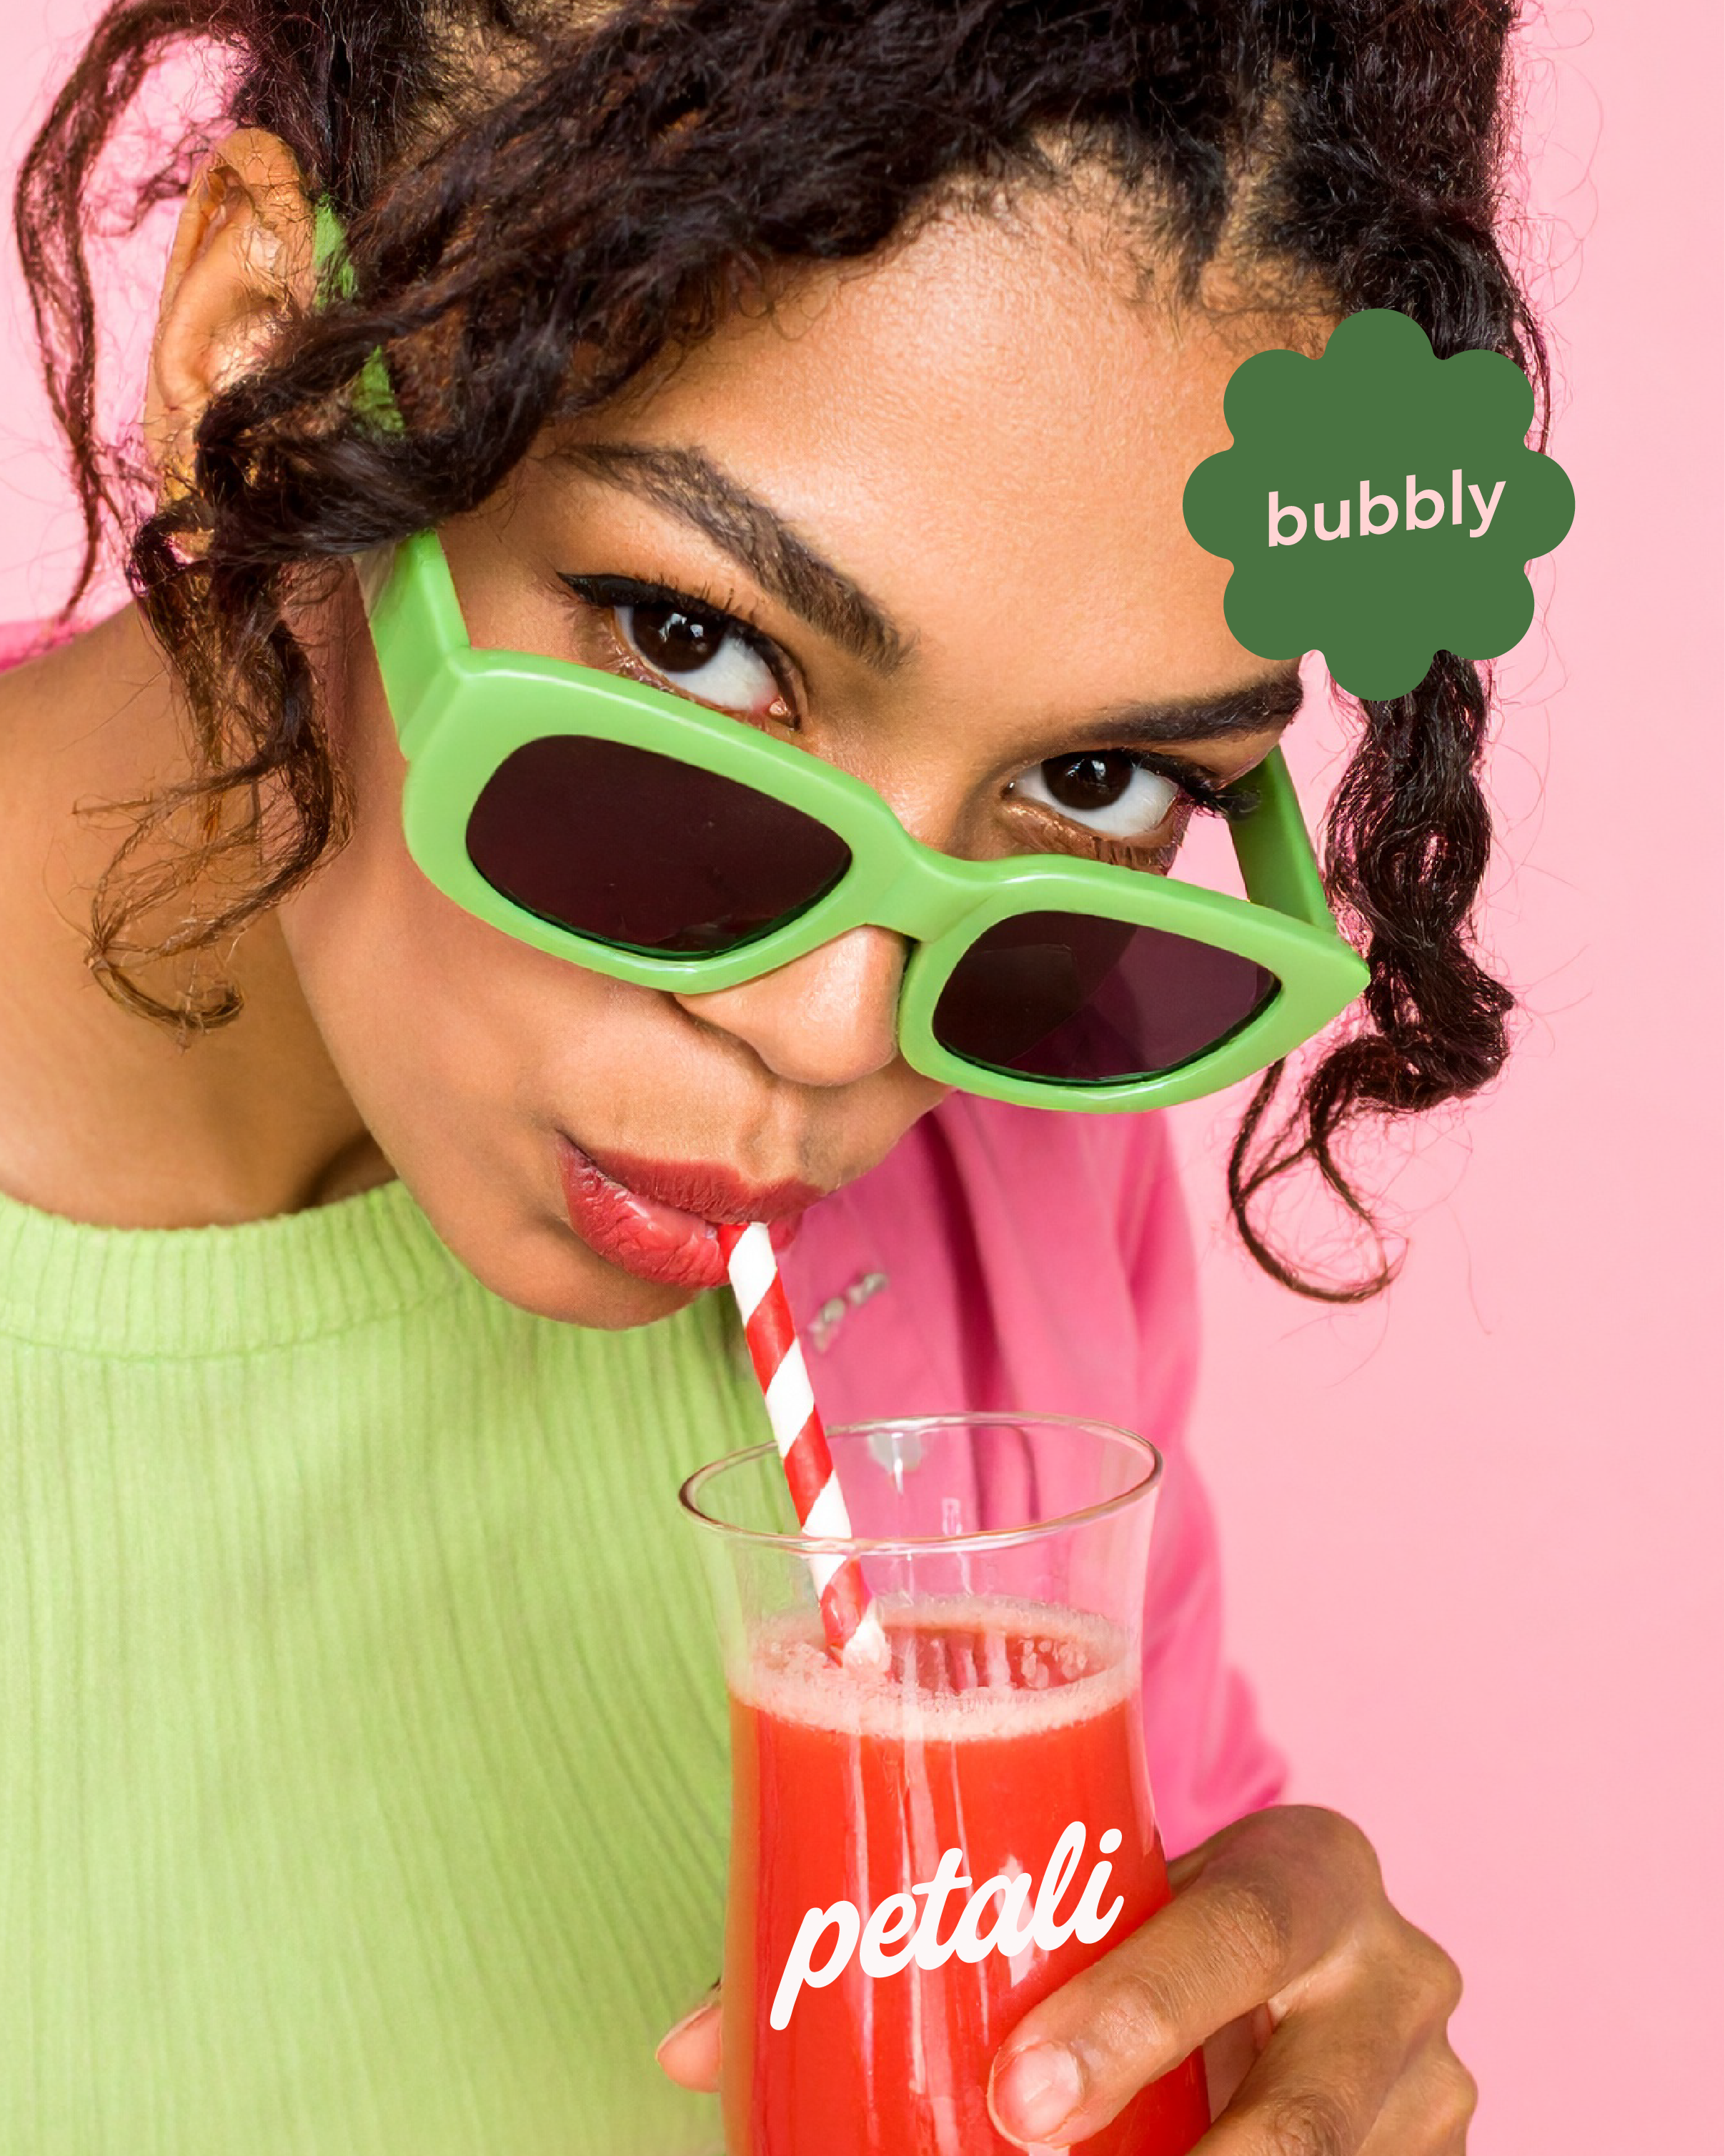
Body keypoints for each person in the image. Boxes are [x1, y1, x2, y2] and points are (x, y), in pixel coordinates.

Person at [0, 3, 1529, 2150]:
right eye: (696, 643)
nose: (844, 1034)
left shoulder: (1012, 1164)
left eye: (1099, 782)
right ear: (265, 355)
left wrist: (1261, 2035)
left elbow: (1155, 1964)